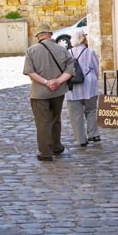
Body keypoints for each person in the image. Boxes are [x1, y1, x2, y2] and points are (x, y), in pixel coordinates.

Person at [23, 23, 75, 161]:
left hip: (39, 92)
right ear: (50, 34)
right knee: (55, 119)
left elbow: (29, 71)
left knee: (42, 122)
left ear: (38, 36)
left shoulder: (31, 50)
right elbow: (70, 70)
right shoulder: (63, 49)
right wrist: (57, 81)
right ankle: (56, 147)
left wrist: (46, 82)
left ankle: (45, 152)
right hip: (58, 91)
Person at [64, 28, 101, 146]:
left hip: (72, 85)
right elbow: (95, 68)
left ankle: (81, 139)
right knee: (91, 109)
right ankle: (93, 134)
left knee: (75, 114)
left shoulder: (67, 53)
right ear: (83, 39)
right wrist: (96, 79)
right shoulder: (90, 52)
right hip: (88, 84)